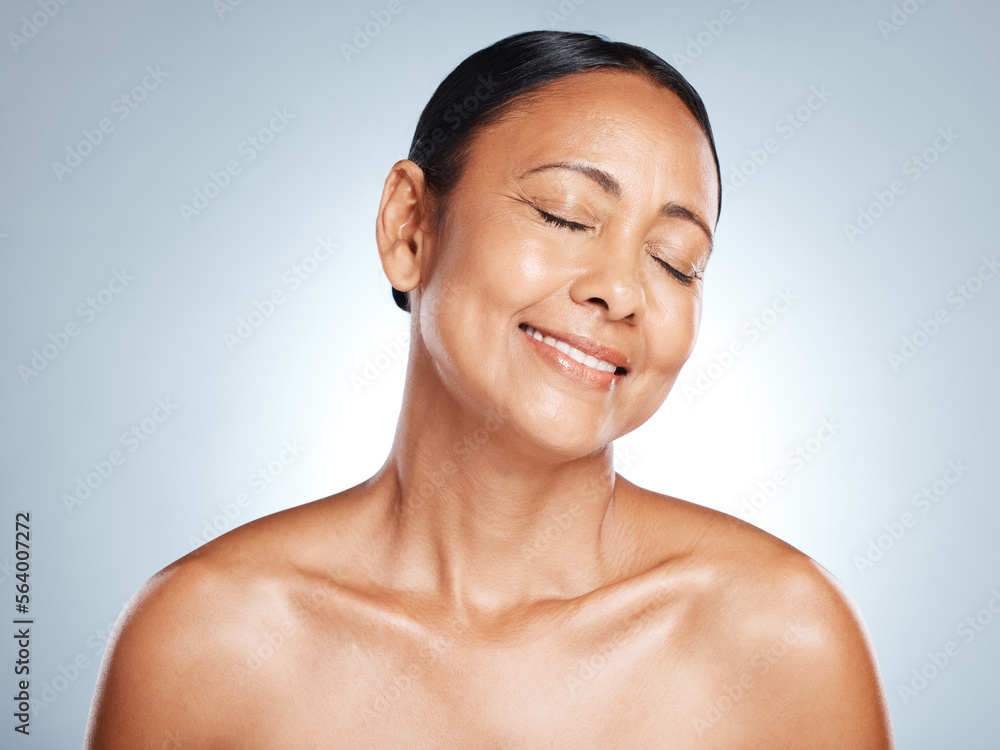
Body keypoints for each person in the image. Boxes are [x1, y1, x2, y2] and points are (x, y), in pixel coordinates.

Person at [85, 30, 894, 748]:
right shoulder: (202, 639)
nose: (622, 289)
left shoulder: (780, 639)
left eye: (676, 260)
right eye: (565, 214)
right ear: (410, 227)